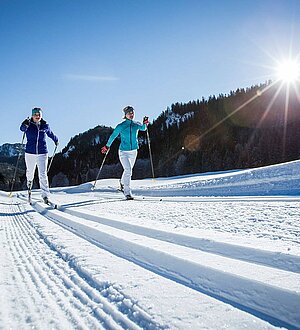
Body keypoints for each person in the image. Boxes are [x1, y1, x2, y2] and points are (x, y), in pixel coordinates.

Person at [101, 105, 149, 200]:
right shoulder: (121, 126)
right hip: (123, 152)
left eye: (132, 112)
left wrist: (145, 123)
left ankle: (122, 182)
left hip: (134, 151)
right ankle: (127, 192)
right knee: (128, 170)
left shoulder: (136, 124)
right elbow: (113, 136)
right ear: (125, 115)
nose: (131, 114)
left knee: (129, 171)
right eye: (129, 113)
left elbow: (143, 129)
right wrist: (107, 146)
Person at [20, 107, 59, 204]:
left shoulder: (45, 126)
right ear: (32, 116)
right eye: (35, 115)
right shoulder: (28, 125)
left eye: (39, 115)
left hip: (42, 153)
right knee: (30, 172)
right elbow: (22, 129)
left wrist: (56, 140)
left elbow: (50, 134)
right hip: (30, 153)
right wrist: (24, 124)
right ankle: (29, 183)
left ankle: (45, 195)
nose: (37, 116)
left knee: (43, 174)